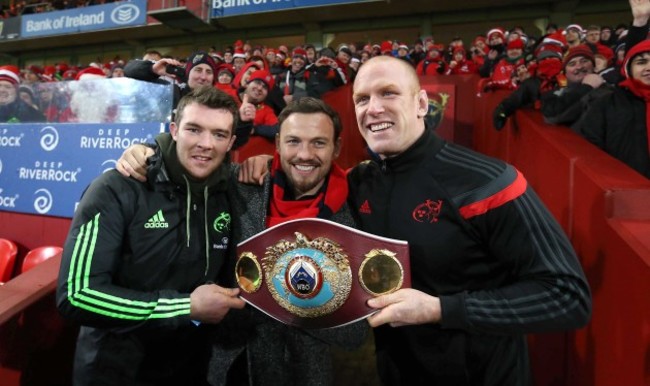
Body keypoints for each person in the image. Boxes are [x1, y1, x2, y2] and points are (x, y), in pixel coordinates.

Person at [345, 55, 591, 385]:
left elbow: (567, 295)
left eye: (388, 93)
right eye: (362, 99)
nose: (373, 108)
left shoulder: (487, 181)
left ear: (421, 104)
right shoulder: (358, 183)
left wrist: (440, 309)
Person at [115, 97, 369, 386]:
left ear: (336, 147)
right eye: (293, 141)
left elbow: (354, 334)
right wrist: (150, 149)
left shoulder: (351, 221)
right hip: (226, 362)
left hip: (299, 373)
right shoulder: (244, 183)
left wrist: (284, 298)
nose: (304, 154)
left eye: (319, 143)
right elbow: (192, 159)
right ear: (277, 145)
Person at [56, 87, 246, 386]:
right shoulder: (117, 187)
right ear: (173, 130)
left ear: (231, 142)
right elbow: (76, 295)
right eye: (193, 129)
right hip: (114, 369)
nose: (206, 144)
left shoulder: (230, 191)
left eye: (219, 135)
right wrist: (184, 307)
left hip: (190, 366)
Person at [579, 39, 650, 178]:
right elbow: (590, 149)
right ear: (628, 68)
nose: (648, 67)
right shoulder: (606, 103)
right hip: (624, 191)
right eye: (641, 62)